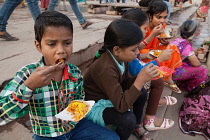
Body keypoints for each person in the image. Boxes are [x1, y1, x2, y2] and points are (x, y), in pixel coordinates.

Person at [0, 11, 119, 140]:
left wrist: (76, 111)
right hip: (46, 134)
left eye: (67, 43)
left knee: (112, 138)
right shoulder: (27, 74)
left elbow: (79, 99)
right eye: (52, 44)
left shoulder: (75, 72)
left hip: (74, 128)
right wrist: (29, 87)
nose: (61, 50)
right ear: (38, 46)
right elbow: (2, 113)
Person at [84, 18, 161, 140]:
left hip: (109, 96)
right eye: (133, 49)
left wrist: (142, 76)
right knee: (127, 119)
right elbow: (121, 106)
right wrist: (140, 80)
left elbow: (124, 83)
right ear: (117, 50)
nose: (137, 52)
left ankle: (137, 125)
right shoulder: (106, 68)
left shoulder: (120, 58)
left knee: (142, 92)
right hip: (94, 106)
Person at [122, 8, 176, 137]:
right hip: (127, 81)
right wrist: (158, 59)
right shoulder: (125, 47)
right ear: (151, 16)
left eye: (164, 17)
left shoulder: (129, 40)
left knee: (151, 84)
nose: (147, 30)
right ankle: (149, 119)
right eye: (144, 28)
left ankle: (153, 103)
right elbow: (137, 69)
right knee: (156, 81)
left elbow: (139, 48)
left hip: (135, 71)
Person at [139, 1, 182, 93]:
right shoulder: (143, 27)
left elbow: (159, 40)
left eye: (165, 17)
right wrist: (152, 34)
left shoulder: (162, 25)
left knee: (172, 48)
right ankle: (158, 80)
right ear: (150, 16)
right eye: (158, 17)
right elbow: (137, 47)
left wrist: (165, 41)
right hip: (142, 51)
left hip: (155, 49)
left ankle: (167, 77)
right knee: (148, 53)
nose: (162, 21)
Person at [170, 20, 208, 92]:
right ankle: (189, 87)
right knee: (203, 69)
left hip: (168, 67)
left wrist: (195, 52)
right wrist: (195, 56)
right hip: (173, 73)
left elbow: (181, 54)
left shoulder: (176, 39)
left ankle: (183, 82)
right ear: (192, 33)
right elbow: (196, 64)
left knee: (188, 62)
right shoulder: (186, 45)